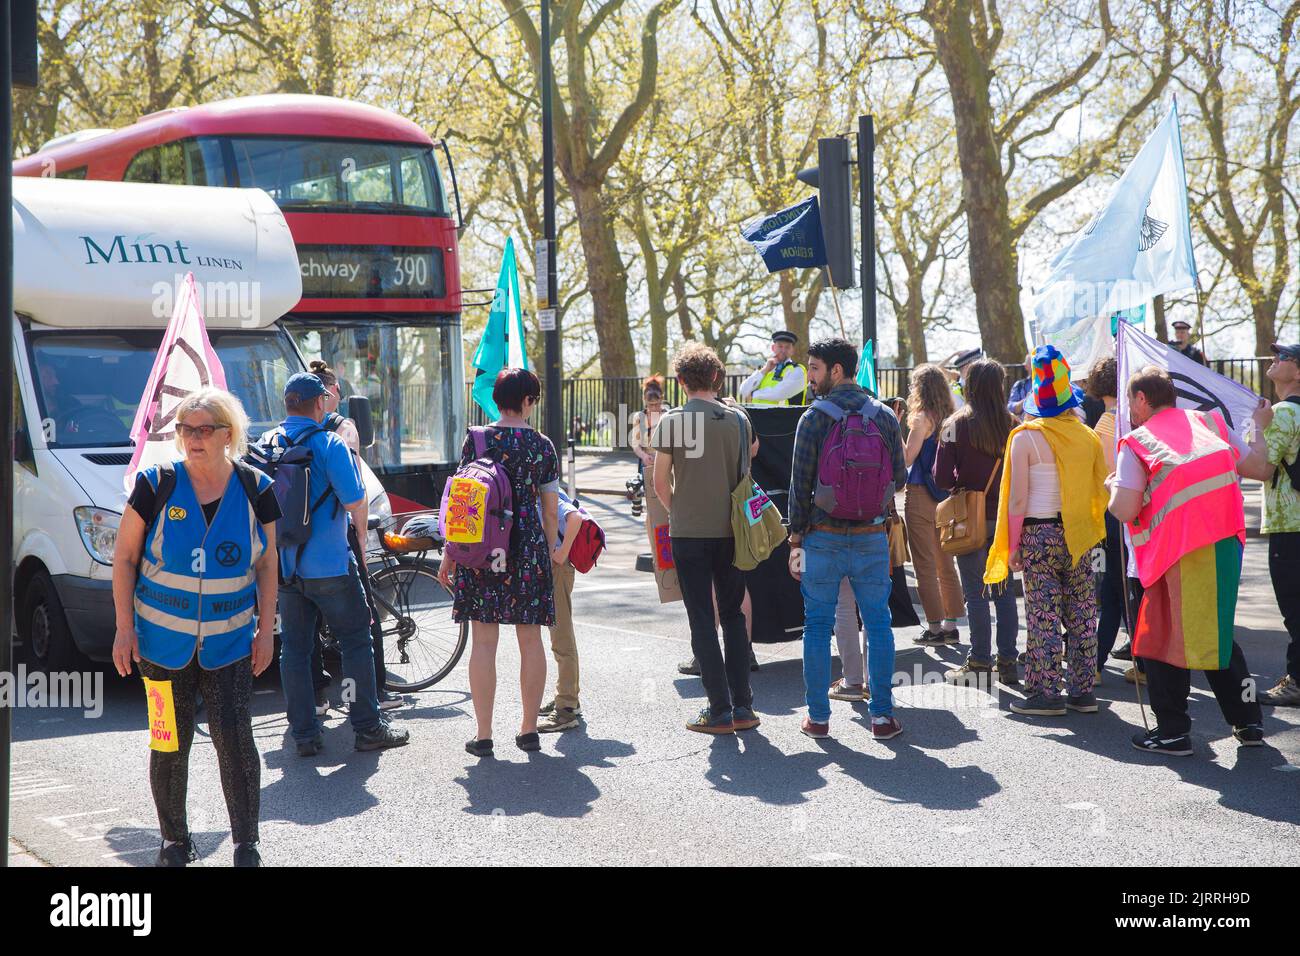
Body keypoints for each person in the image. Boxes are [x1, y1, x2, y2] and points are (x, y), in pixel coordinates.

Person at [111, 388, 281, 867]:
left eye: (204, 430)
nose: (193, 439)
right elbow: (124, 559)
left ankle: (247, 843)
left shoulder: (256, 488)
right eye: (185, 430)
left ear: (228, 434)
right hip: (159, 645)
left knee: (234, 736)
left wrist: (265, 631)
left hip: (229, 643)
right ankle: (174, 840)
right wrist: (125, 629)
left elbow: (268, 566)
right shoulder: (155, 484)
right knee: (168, 740)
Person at [1108, 366, 1273, 755]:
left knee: (1163, 638)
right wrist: (1260, 427)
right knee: (1216, 633)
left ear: (1142, 400)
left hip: (1173, 551)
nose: (1128, 409)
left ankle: (1172, 732)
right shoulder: (1211, 422)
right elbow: (1260, 469)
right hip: (1223, 545)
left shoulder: (1137, 442)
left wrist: (1113, 486)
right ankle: (1249, 722)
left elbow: (1124, 508)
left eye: (1130, 400)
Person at [275, 372, 409, 757]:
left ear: (287, 404)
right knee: (355, 641)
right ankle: (367, 727)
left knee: (295, 650)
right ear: (320, 404)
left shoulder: (268, 442)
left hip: (285, 567)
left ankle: (304, 733)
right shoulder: (329, 443)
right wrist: (361, 546)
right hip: (330, 564)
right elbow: (355, 501)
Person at [789, 337, 908, 740]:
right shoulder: (885, 417)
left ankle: (819, 718)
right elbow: (900, 479)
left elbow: (799, 485)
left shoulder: (813, 418)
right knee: (878, 624)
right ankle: (882, 717)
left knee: (817, 626)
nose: (811, 376)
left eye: (815, 368)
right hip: (872, 535)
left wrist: (795, 541)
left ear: (836, 370)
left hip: (822, 537)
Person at [438, 368, 560, 756]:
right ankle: (528, 730)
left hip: (483, 551)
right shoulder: (543, 446)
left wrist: (449, 555)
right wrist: (551, 552)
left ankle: (484, 734)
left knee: (484, 642)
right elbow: (551, 511)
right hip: (527, 550)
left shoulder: (477, 440)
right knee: (530, 639)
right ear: (527, 401)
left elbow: (464, 507)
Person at [985, 346, 1108, 717]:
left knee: (1043, 615)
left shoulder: (1025, 438)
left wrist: (1011, 545)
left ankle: (1045, 692)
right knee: (1083, 613)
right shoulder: (1087, 437)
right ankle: (1083, 691)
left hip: (1038, 534)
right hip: (1078, 535)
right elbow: (1099, 488)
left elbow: (1017, 500)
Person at [653, 343, 761, 734]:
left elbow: (660, 481)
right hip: (733, 531)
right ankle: (744, 705)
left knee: (702, 618)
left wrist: (676, 510)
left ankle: (718, 709)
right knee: (732, 614)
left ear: (680, 381)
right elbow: (746, 468)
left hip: (689, 531)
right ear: (717, 378)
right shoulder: (738, 420)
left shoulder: (671, 422)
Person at [306, 360, 403, 714]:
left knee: (306, 627)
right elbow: (356, 490)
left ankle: (316, 698)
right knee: (360, 621)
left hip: (297, 540)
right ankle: (372, 694)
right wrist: (361, 536)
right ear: (330, 393)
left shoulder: (288, 432)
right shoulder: (343, 429)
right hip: (337, 535)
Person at [934, 359, 1020, 687]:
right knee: (1003, 592)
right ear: (999, 387)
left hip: (968, 518)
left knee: (975, 593)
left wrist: (962, 480)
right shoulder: (1014, 424)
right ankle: (1008, 661)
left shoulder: (955, 424)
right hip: (1003, 520)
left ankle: (980, 660)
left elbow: (942, 477)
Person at [903, 364, 964, 645]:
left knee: (924, 565)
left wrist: (895, 426)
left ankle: (935, 627)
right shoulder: (951, 417)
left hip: (920, 495)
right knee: (946, 563)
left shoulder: (921, 418)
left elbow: (907, 457)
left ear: (919, 388)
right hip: (946, 497)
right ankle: (952, 624)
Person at [1259, 343, 1300, 706]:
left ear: (1298, 371)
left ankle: (1297, 681)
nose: (1275, 360)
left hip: (1290, 526)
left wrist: (1257, 429)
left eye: (1283, 357)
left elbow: (1260, 467)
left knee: (1294, 607)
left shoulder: (1284, 413)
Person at [1084, 358, 1128, 675]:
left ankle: (1096, 663)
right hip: (1131, 510)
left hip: (1110, 512)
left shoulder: (1103, 425)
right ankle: (1098, 660)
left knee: (1113, 588)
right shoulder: (1130, 421)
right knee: (1118, 588)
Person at [538, 488, 585, 733]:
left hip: (558, 569)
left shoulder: (548, 492)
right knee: (560, 636)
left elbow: (575, 518)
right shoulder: (544, 490)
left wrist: (561, 553)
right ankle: (568, 698)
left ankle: (566, 709)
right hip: (555, 568)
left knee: (562, 637)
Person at [739, 330, 807, 405]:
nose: (783, 350)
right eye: (780, 346)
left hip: (786, 416)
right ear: (773, 348)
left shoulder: (797, 370)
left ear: (792, 350)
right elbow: (743, 390)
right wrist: (764, 370)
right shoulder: (765, 368)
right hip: (758, 415)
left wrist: (753, 394)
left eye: (787, 347)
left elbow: (780, 393)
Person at [630, 375, 670, 476]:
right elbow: (635, 444)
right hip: (647, 463)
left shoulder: (668, 415)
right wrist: (644, 456)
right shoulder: (639, 417)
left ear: (662, 398)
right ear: (644, 399)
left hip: (668, 463)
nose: (654, 407)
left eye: (657, 404)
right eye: (650, 404)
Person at [1007, 353, 1034, 419]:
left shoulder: (1048, 384)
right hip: (1024, 425)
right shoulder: (1019, 385)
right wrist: (1027, 399)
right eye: (1032, 363)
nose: (1036, 367)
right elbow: (1010, 408)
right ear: (1026, 366)